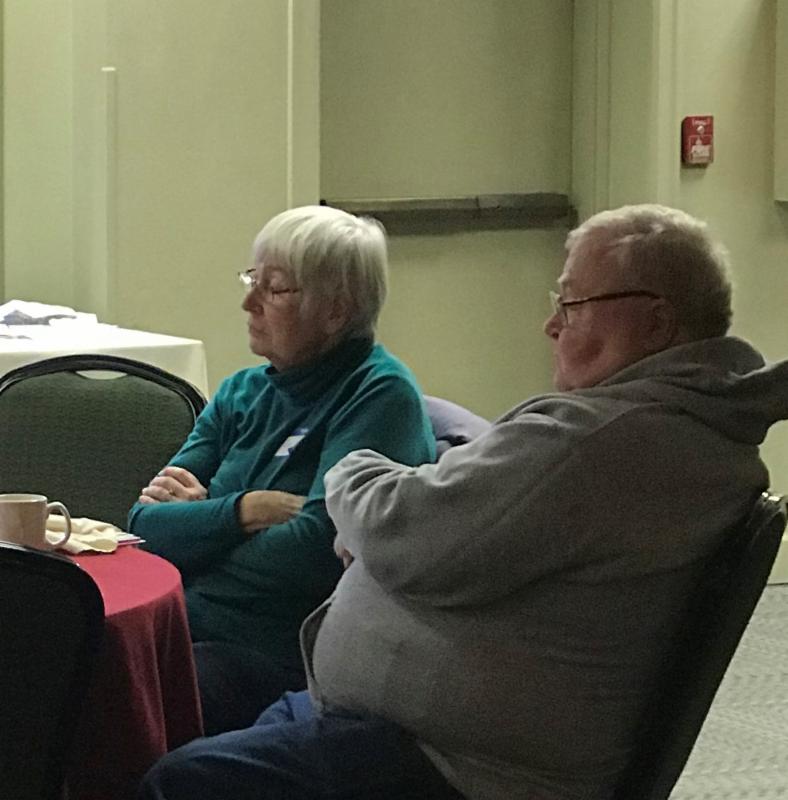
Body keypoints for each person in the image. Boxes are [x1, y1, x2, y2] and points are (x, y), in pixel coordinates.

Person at [138, 204, 788, 800]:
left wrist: (352, 474)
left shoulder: (603, 440)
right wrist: (250, 513)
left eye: (572, 303)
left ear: (655, 321)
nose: (550, 325)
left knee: (179, 780)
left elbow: (399, 534)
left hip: (458, 765)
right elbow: (145, 524)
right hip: (423, 729)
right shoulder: (678, 429)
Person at [128, 205, 436, 736]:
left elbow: (315, 551)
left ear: (335, 310)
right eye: (253, 280)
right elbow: (144, 527)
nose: (248, 303)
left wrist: (201, 526)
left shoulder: (378, 394)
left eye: (273, 289)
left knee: (123, 699)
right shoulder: (241, 392)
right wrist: (245, 511)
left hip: (280, 653)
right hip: (184, 627)